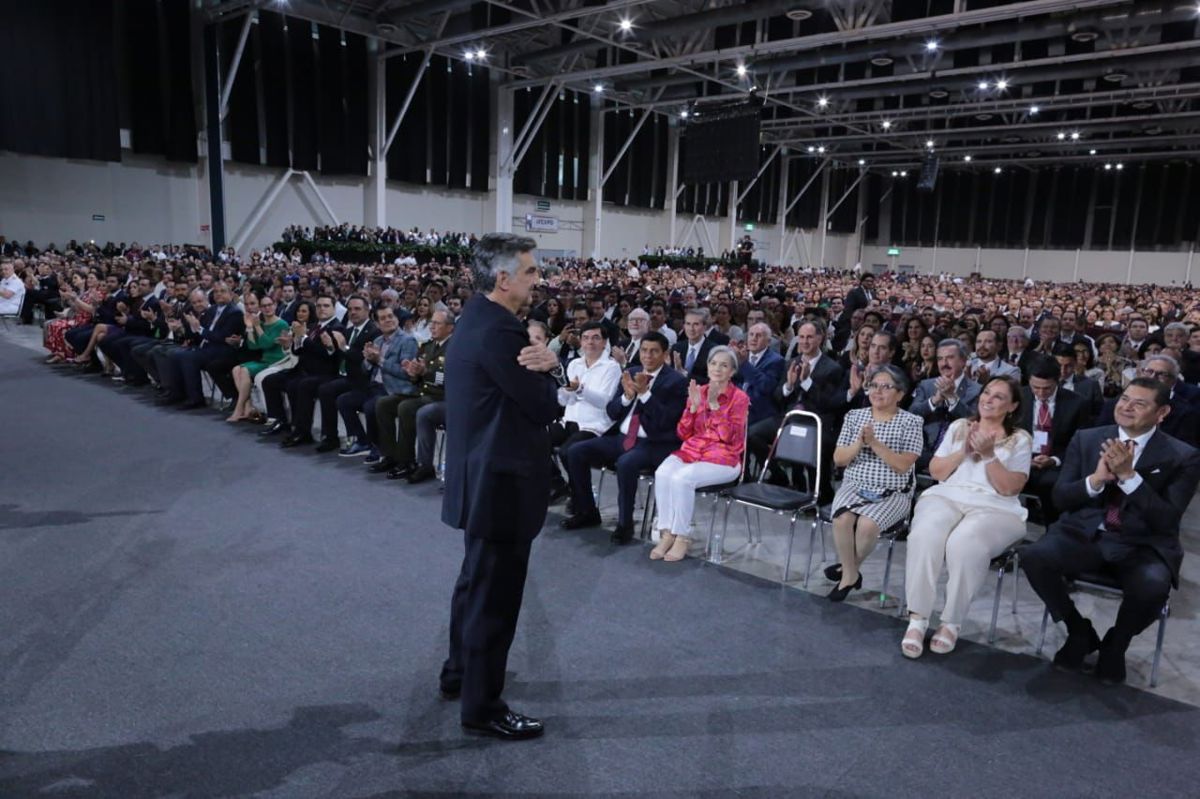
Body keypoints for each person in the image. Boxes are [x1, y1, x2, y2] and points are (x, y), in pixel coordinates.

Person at [439, 233, 564, 741]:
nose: (539, 281)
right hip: (503, 484)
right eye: (531, 272)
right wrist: (551, 367)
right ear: (503, 277)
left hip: (479, 476)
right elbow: (542, 405)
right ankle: (483, 706)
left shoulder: (473, 318)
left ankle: (459, 674)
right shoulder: (502, 334)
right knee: (494, 600)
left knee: (473, 586)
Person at [1019, 378, 1200, 685]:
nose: (1126, 407)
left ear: (1162, 412)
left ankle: (1117, 643)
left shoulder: (1182, 456)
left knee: (1154, 587)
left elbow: (1167, 519)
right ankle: (1079, 631)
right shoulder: (1087, 438)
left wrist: (1129, 477)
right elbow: (1061, 498)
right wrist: (1096, 480)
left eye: (1139, 403)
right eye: (1124, 399)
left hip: (1142, 543)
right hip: (1085, 534)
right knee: (1035, 556)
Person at [901, 375, 1032, 659]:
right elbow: (936, 472)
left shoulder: (1020, 439)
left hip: (996, 507)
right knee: (926, 533)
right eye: (987, 393)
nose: (988, 399)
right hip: (948, 495)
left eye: (998, 396)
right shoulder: (961, 427)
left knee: (964, 542)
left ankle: (951, 621)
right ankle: (918, 618)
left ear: (1012, 406)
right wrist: (964, 451)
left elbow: (1010, 487)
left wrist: (988, 455)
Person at [560, 331, 688, 543]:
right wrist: (627, 398)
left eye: (654, 351)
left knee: (626, 463)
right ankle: (587, 512)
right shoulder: (631, 372)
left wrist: (645, 394)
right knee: (575, 451)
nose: (647, 355)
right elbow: (612, 412)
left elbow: (665, 421)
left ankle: (624, 525)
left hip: (653, 443)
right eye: (644, 350)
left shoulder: (676, 381)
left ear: (665, 354)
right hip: (621, 437)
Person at [827, 365, 924, 601]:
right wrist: (859, 443)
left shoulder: (911, 422)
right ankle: (850, 574)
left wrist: (875, 443)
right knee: (842, 519)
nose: (878, 391)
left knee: (867, 526)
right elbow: (839, 459)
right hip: (854, 485)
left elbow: (903, 466)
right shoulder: (854, 416)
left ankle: (847, 569)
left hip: (893, 490)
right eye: (873, 385)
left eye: (886, 386)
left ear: (900, 394)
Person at [650, 346, 750, 562]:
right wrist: (692, 409)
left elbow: (730, 438)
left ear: (732, 371)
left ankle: (682, 536)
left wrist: (714, 406)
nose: (717, 368)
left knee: (681, 478)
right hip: (693, 451)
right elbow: (683, 433)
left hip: (724, 457)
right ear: (707, 367)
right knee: (662, 472)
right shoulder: (699, 391)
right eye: (714, 363)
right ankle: (667, 532)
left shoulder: (739, 398)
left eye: (724, 365)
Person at [375, 309, 454, 483]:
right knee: (384, 403)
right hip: (423, 394)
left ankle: (410, 462)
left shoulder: (456, 348)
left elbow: (453, 379)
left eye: (437, 323)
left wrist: (425, 373)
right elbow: (417, 378)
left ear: (449, 328)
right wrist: (413, 372)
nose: (432, 327)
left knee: (408, 408)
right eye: (431, 323)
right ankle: (390, 455)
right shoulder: (428, 346)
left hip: (445, 398)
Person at [550, 321, 622, 503]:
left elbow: (604, 402)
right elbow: (563, 400)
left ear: (605, 342)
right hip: (570, 420)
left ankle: (582, 500)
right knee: (533, 438)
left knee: (568, 452)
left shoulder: (611, 367)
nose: (590, 342)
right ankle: (558, 484)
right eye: (586, 338)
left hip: (594, 425)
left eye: (596, 338)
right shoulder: (575, 364)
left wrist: (580, 389)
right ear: (580, 342)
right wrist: (566, 390)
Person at [1018, 358, 1090, 523]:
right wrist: (1024, 458)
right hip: (1021, 457)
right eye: (1035, 387)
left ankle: (1053, 527)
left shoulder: (1077, 403)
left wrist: (1054, 460)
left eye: (1047, 388)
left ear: (1058, 381)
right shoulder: (1019, 398)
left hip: (1056, 461)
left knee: (1052, 484)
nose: (1041, 393)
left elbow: (1080, 443)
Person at [909, 339, 982, 471]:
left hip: (957, 453)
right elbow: (911, 414)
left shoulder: (977, 390)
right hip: (924, 450)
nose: (944, 363)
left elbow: (974, 420)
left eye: (949, 358)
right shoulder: (926, 385)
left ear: (963, 361)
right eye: (940, 359)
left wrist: (952, 398)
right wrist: (935, 400)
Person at [227, 294, 289, 422]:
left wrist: (257, 327)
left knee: (244, 370)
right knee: (236, 369)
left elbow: (267, 344)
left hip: (277, 361)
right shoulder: (260, 323)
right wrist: (249, 327)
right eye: (264, 306)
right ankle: (248, 407)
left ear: (275, 305)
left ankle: (239, 409)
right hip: (265, 360)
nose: (267, 308)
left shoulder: (281, 324)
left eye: (269, 305)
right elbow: (253, 346)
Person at [732, 322, 785, 425]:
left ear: (768, 341)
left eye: (759, 335)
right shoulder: (740, 355)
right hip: (736, 407)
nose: (754, 338)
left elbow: (766, 386)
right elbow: (733, 381)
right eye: (751, 334)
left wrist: (745, 364)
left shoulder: (776, 360)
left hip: (759, 413)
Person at [670, 309, 719, 384]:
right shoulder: (677, 347)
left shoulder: (714, 351)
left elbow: (713, 381)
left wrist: (684, 373)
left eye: (696, 324)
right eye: (688, 324)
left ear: (704, 327)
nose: (691, 329)